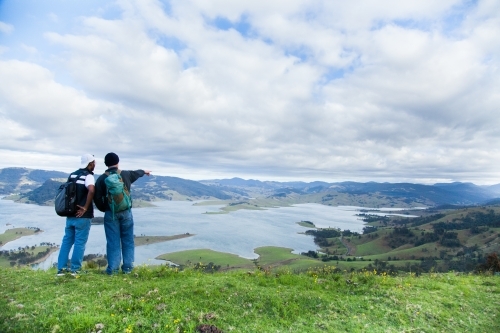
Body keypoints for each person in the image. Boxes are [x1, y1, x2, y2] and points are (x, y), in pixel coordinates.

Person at [94, 152, 151, 274]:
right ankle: (128, 268)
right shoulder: (126, 174)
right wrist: (145, 171)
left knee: (113, 242)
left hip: (111, 213)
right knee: (128, 240)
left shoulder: (101, 179)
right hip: (126, 213)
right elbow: (137, 173)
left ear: (106, 164)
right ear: (118, 162)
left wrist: (106, 209)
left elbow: (97, 199)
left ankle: (113, 270)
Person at [57, 154, 96, 276]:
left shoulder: (72, 175)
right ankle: (75, 270)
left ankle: (61, 269)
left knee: (67, 241)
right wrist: (85, 207)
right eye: (93, 162)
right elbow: (91, 190)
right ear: (89, 164)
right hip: (82, 216)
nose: (95, 164)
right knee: (80, 242)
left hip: (70, 214)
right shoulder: (88, 176)